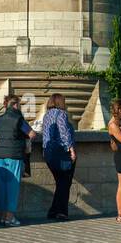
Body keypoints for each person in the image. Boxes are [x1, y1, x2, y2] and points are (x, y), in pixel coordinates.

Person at [0, 94, 35, 225]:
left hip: (0, 155)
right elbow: (32, 134)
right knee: (13, 186)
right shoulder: (18, 119)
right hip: (14, 155)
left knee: (3, 186)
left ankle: (3, 216)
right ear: (16, 105)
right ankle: (10, 217)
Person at [41, 93, 76, 221]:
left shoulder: (47, 115)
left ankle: (53, 211)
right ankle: (61, 212)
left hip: (48, 153)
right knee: (65, 182)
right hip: (61, 153)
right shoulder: (61, 114)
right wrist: (71, 150)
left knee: (61, 182)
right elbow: (64, 132)